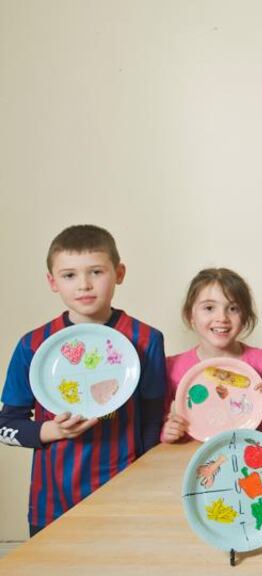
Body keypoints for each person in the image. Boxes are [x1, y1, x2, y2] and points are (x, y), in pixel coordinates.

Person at [0, 225, 166, 535]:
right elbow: (5, 425)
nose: (84, 285)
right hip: (53, 501)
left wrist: (147, 483)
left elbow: (153, 420)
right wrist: (49, 430)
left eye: (96, 272)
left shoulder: (145, 339)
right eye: (69, 275)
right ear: (52, 282)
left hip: (125, 495)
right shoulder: (34, 345)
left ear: (119, 272)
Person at [161, 268, 262, 443]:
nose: (221, 317)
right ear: (190, 315)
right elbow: (157, 422)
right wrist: (166, 432)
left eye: (233, 308)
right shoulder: (172, 367)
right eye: (209, 308)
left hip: (250, 458)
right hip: (194, 458)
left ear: (245, 317)